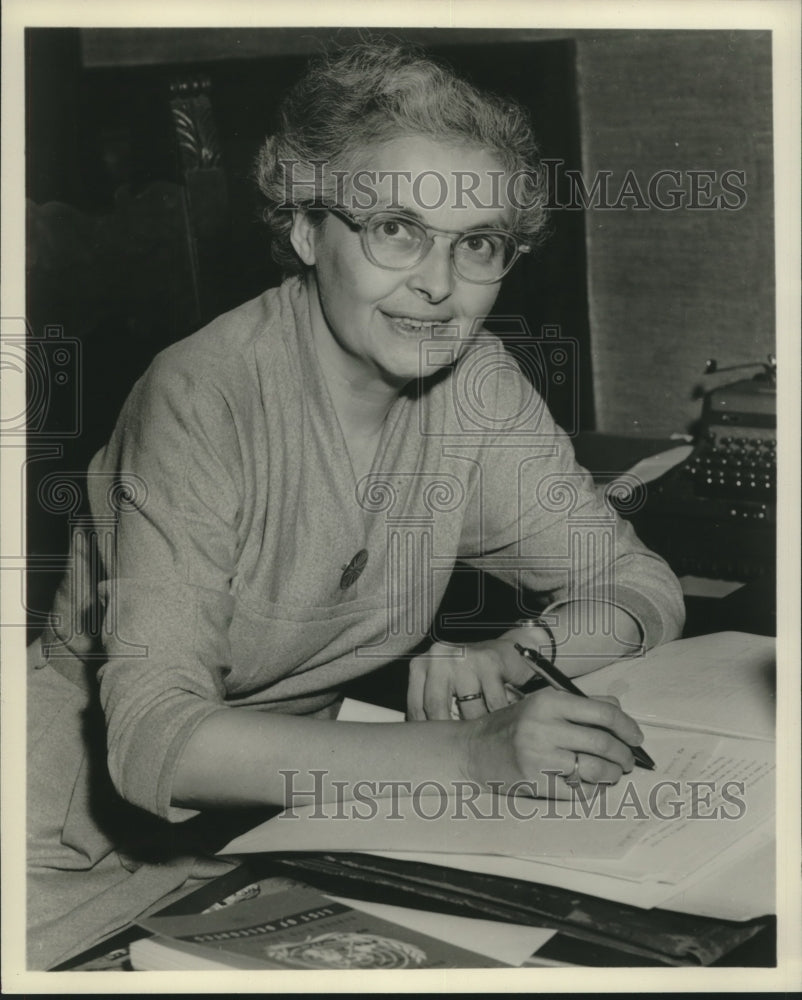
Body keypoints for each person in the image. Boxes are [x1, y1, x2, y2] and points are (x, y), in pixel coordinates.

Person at [27, 40, 685, 970]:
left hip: (289, 822)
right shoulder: (202, 394)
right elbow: (152, 745)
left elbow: (636, 581)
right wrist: (469, 755)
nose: (438, 284)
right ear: (306, 230)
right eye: (395, 230)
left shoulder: (477, 388)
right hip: (62, 853)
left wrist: (529, 655)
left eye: (477, 244)